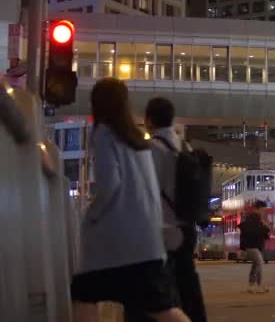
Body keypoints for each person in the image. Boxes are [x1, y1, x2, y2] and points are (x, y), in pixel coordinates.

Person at [71, 78, 189, 322]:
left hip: (117, 247)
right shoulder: (139, 140)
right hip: (147, 245)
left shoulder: (104, 134)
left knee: (84, 295)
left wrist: (90, 214)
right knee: (162, 309)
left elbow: (110, 185)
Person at [124, 98, 207, 321]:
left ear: (149, 120)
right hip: (187, 230)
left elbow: (141, 194)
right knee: (186, 288)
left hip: (160, 232)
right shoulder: (185, 147)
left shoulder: (151, 150)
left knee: (148, 294)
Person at [238, 200, 271, 293]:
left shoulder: (255, 218)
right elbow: (255, 231)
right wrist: (266, 228)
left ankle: (254, 285)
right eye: (262, 210)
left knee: (256, 265)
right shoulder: (253, 218)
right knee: (259, 263)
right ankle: (255, 285)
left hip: (255, 246)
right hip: (252, 246)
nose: (263, 212)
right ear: (257, 209)